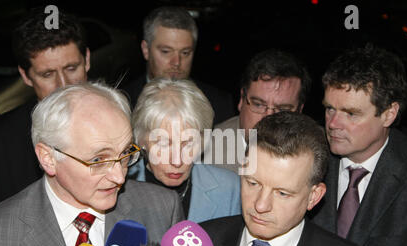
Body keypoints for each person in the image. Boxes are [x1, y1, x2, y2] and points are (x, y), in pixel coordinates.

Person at [0, 82, 184, 246]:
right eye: (98, 160)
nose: (119, 177)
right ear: (48, 158)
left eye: (125, 154)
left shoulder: (162, 208)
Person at [201, 112, 379, 246]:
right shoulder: (200, 243)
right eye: (252, 183)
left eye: (282, 193)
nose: (261, 205)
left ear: (314, 197)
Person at [309, 44, 407, 246]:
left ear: (388, 114)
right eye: (330, 108)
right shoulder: (307, 153)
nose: (333, 124)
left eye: (351, 114)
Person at [0, 8, 91, 214]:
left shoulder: (121, 122)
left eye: (71, 68)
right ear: (26, 76)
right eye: (47, 74)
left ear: (87, 59)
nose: (63, 84)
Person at [129, 78, 241, 223]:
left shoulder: (229, 189)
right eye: (164, 144)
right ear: (141, 140)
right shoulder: (117, 189)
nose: (177, 161)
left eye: (188, 143)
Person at [120, 6, 235, 125]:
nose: (176, 62)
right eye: (166, 51)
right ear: (146, 50)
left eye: (185, 53)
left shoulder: (219, 105)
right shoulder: (122, 105)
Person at [208, 49, 311, 173]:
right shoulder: (205, 153)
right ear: (241, 100)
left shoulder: (314, 154)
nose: (268, 118)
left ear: (299, 111)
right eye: (258, 105)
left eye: (282, 110)